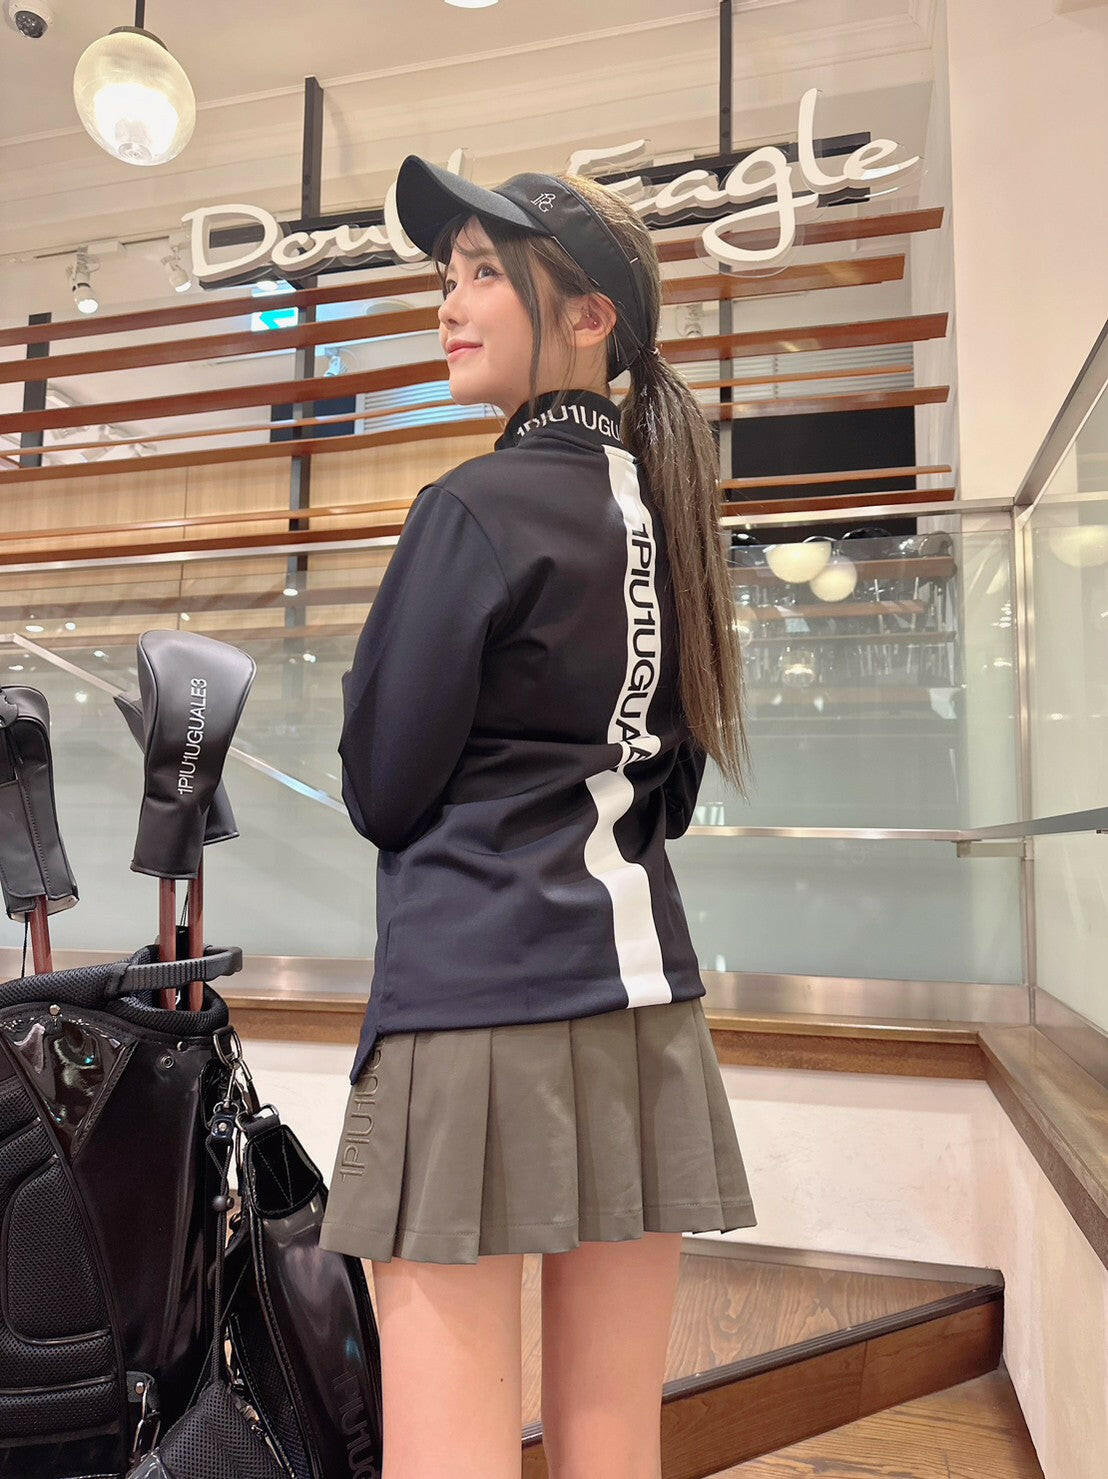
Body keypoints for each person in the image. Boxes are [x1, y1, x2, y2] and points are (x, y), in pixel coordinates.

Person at [318, 154, 758, 1479]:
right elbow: (671, 789)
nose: (448, 305)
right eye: (447, 276)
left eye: (483, 274)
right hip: (646, 1014)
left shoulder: (472, 510)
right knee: (611, 1441)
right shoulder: (670, 521)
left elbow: (383, 788)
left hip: (472, 1007)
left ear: (587, 316)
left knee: (447, 1450)